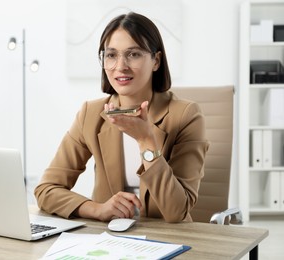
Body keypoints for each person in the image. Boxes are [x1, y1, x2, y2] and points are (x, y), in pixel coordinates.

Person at [34, 12, 209, 223]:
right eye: (111, 55)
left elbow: (176, 212)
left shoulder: (186, 116)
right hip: (107, 238)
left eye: (133, 54)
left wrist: (146, 141)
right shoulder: (90, 114)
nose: (120, 66)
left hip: (167, 238)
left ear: (156, 60)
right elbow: (46, 190)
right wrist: (97, 209)